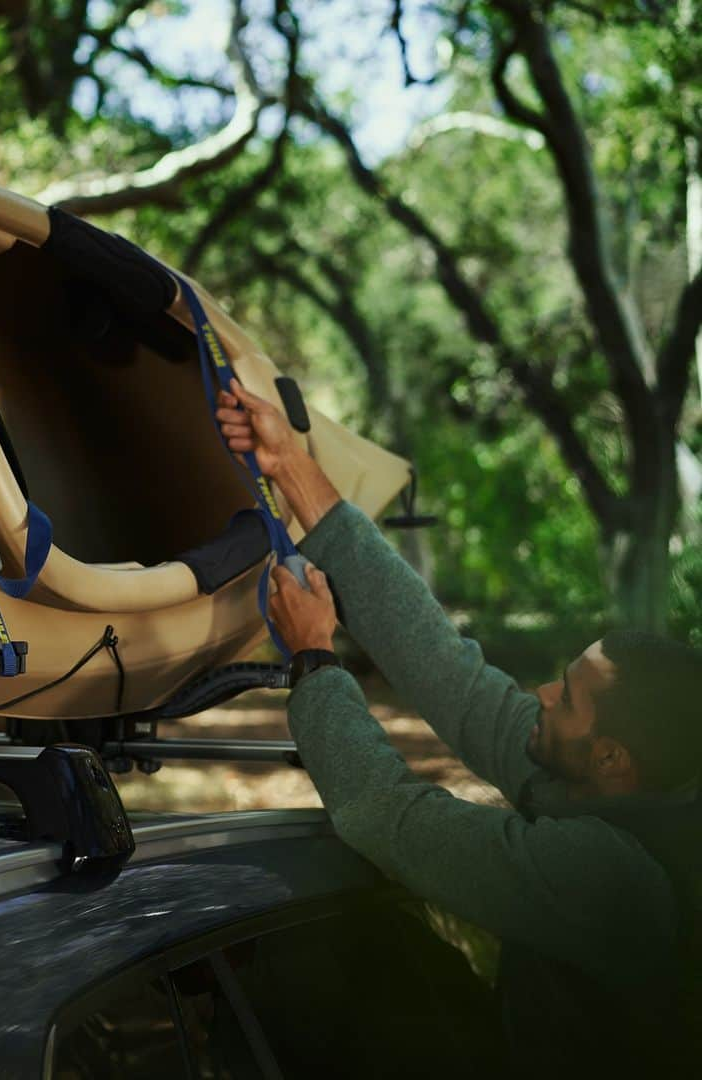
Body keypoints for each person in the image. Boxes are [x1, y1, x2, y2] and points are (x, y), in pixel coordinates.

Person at [215, 379, 702, 1077]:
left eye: (565, 699)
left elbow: (388, 816)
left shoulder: (616, 881)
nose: (538, 695)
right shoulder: (623, 783)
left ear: (612, 759)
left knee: (323, 963)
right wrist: (289, 463)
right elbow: (452, 674)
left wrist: (316, 662)